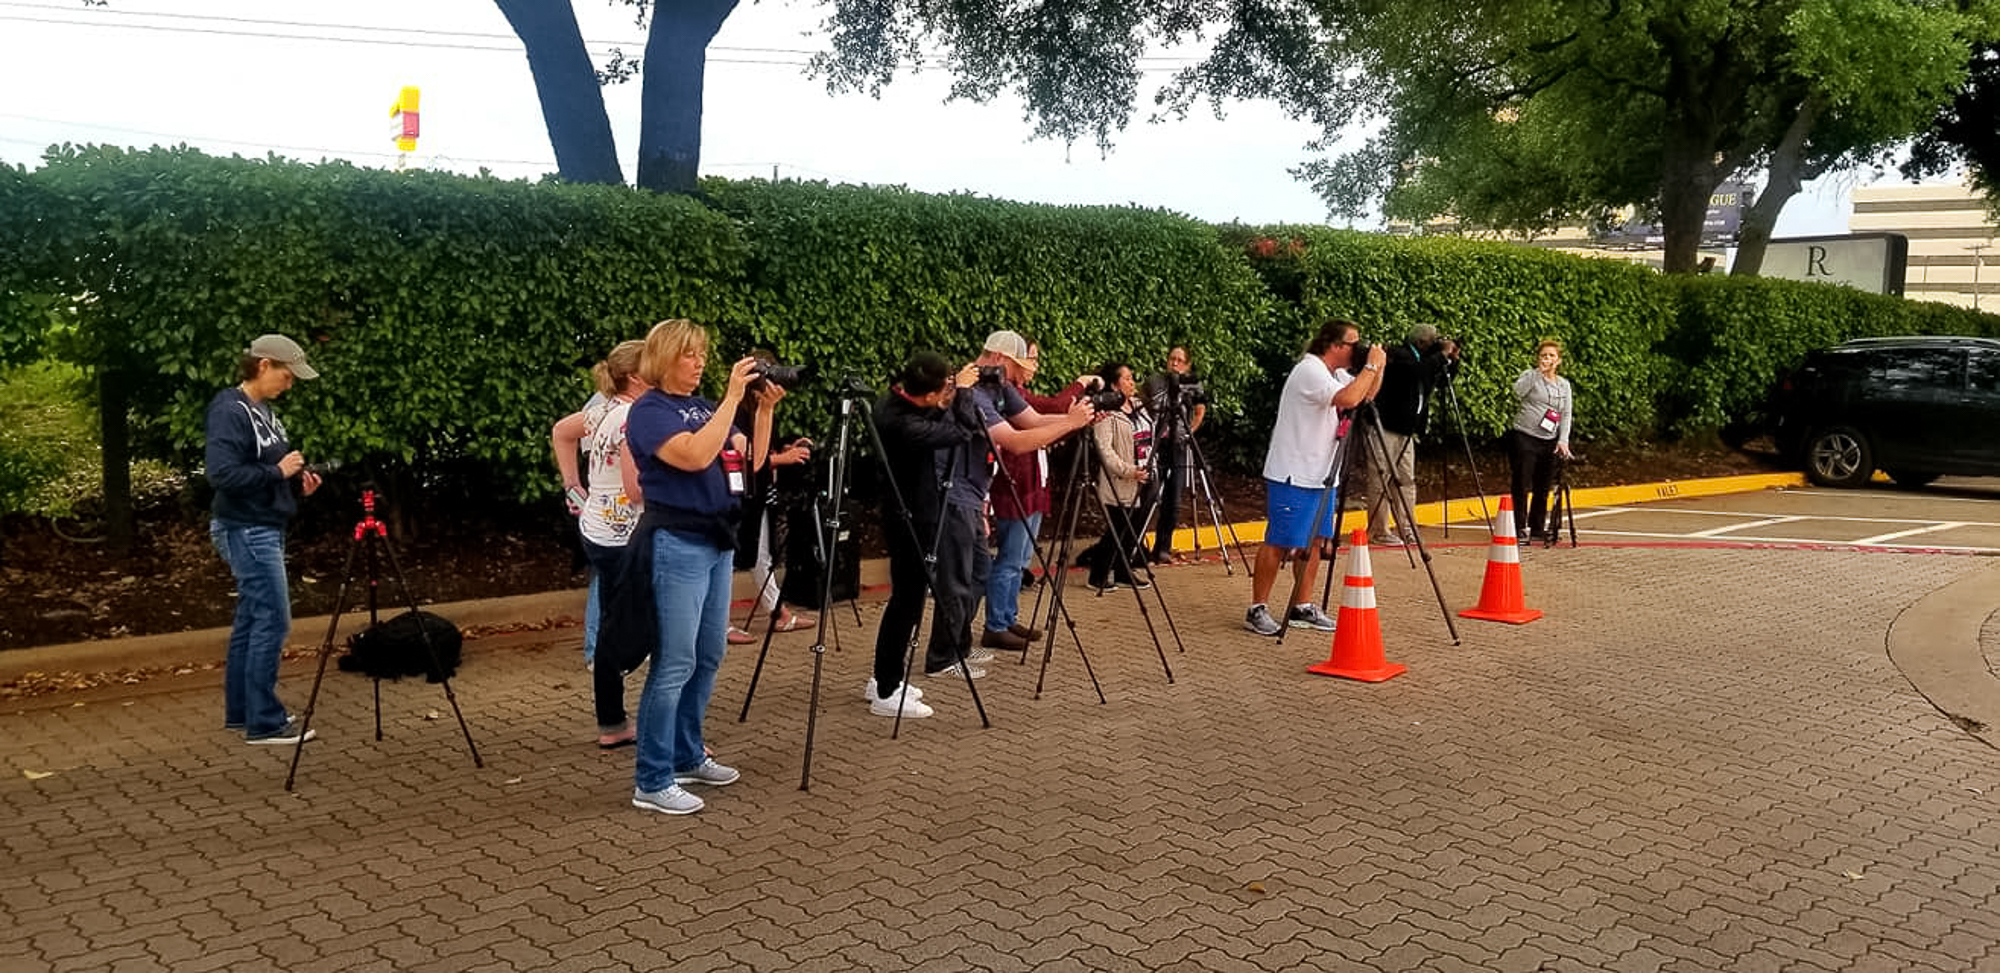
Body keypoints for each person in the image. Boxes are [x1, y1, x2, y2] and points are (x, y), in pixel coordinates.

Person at [617, 318, 775, 816]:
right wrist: (732, 399)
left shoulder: (705, 407)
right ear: (665, 358)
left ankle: (687, 754)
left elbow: (753, 461)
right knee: (674, 662)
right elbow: (690, 457)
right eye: (690, 354)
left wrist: (763, 411)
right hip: (677, 542)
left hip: (717, 541)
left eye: (703, 354)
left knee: (708, 655)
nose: (700, 362)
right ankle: (652, 777)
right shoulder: (648, 411)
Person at [926, 330, 1092, 680]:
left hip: (972, 493)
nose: (1024, 372)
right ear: (1000, 359)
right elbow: (1016, 442)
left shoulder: (1002, 387)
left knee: (978, 573)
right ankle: (943, 656)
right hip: (954, 493)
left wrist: (1074, 420)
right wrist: (1070, 424)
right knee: (959, 578)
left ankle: (958, 646)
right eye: (1020, 364)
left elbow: (1031, 420)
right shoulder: (969, 391)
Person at [205, 333, 324, 746]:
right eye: (287, 377)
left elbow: (270, 469)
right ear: (263, 366)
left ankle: (243, 713)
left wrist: (296, 485)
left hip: (262, 524)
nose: (289, 385)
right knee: (274, 620)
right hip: (245, 528)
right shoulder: (229, 410)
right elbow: (221, 475)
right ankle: (265, 723)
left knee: (252, 619)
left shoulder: (263, 411)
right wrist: (278, 474)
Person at [1244, 320, 1386, 637]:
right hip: (1293, 473)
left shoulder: (1333, 374)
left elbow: (1364, 395)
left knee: (1316, 543)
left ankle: (1302, 605)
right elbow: (1348, 399)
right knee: (1279, 542)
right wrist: (1371, 368)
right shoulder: (1308, 371)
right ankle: (1257, 607)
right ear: (1333, 345)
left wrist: (1378, 367)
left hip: (1321, 474)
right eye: (1353, 343)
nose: (1357, 349)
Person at [867, 352, 980, 719]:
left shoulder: (898, 402)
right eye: (943, 386)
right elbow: (961, 432)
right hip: (910, 515)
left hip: (913, 509)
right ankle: (886, 689)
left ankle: (886, 676)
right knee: (907, 600)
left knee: (907, 599)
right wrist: (962, 394)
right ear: (928, 394)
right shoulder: (901, 423)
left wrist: (950, 393)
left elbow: (933, 415)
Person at [551, 340, 648, 749]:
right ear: (637, 376)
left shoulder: (600, 410)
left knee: (611, 625)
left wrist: (573, 486)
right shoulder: (633, 418)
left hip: (596, 529)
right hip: (626, 534)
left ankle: (612, 721)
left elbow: (561, 431)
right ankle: (658, 725)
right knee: (644, 628)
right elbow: (637, 489)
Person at [982, 340, 1093, 652]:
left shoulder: (1009, 390)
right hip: (1015, 483)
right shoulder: (1006, 392)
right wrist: (1079, 386)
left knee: (1020, 559)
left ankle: (1006, 617)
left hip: (1032, 482)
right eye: (1025, 361)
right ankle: (996, 624)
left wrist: (1078, 421)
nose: (1029, 368)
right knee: (1010, 557)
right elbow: (1048, 412)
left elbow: (1048, 421)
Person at [729, 350, 817, 645]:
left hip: (759, 492)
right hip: (738, 494)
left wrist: (788, 449)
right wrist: (784, 459)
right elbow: (747, 458)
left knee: (760, 556)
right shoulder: (735, 409)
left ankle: (777, 612)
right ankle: (723, 623)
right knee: (730, 557)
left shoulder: (762, 406)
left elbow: (764, 450)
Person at [1364, 325, 1459, 546]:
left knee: (1406, 479)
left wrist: (1452, 361)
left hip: (1407, 430)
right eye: (1434, 341)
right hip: (1385, 427)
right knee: (1381, 478)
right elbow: (1415, 372)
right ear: (1422, 342)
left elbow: (1442, 381)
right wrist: (1441, 355)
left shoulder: (1426, 361)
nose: (1436, 345)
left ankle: (1407, 528)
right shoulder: (1399, 355)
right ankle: (1379, 530)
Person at [1082, 361, 1152, 591]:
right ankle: (1098, 574)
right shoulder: (1107, 413)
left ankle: (1123, 570)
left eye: (1133, 378)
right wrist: (1127, 470)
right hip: (1120, 481)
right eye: (1127, 378)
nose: (1132, 383)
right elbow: (1105, 449)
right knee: (1117, 529)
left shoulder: (1140, 406)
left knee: (1134, 528)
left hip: (1145, 474)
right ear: (1114, 385)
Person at [1140, 346, 1206, 563]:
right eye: (1172, 359)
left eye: (1180, 360)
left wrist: (1189, 432)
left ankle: (1163, 548)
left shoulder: (1192, 385)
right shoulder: (1154, 382)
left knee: (1173, 499)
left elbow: (1199, 410)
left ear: (1187, 365)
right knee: (1148, 494)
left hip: (1178, 445)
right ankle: (1136, 545)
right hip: (1156, 444)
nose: (1175, 363)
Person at [1509, 339, 1574, 544]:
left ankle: (1537, 527)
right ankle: (1518, 526)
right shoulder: (1530, 376)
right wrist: (1539, 372)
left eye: (1551, 356)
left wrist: (1563, 440)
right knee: (1522, 482)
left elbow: (1566, 413)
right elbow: (1517, 392)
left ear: (1559, 360)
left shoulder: (1564, 385)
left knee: (1543, 484)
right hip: (1525, 435)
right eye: (1544, 355)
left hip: (1549, 439)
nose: (1547, 359)